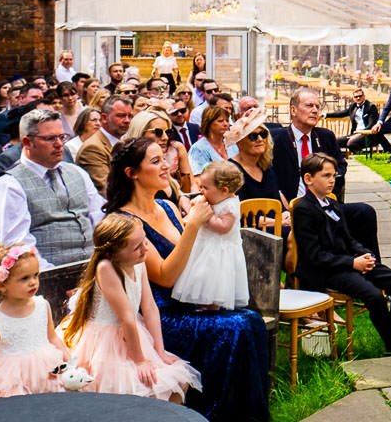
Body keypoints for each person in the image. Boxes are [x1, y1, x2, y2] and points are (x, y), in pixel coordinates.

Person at [105, 138, 269, 422]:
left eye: (163, 158)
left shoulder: (165, 208)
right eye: (155, 162)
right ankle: (215, 415)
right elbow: (166, 277)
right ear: (132, 173)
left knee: (250, 320)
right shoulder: (126, 222)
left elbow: (193, 256)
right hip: (160, 315)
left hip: (188, 300)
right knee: (235, 327)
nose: (166, 165)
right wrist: (192, 224)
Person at [61, 213, 200, 402]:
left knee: (172, 379)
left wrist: (159, 350)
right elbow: (126, 317)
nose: (145, 249)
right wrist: (139, 361)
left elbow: (149, 307)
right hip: (105, 342)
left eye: (145, 241)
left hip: (133, 333)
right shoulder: (106, 268)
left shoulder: (138, 263)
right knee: (130, 389)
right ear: (112, 253)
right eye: (137, 247)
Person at [290, 154, 391, 354]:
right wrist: (352, 263)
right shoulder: (304, 209)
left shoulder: (333, 203)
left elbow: (349, 239)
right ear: (308, 179)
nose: (331, 180)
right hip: (327, 270)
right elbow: (314, 255)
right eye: (326, 175)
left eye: (334, 176)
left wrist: (365, 255)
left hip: (349, 261)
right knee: (375, 297)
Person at [0, 109, 104, 268]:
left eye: (62, 137)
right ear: (26, 142)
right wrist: (56, 279)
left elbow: (100, 220)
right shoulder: (8, 186)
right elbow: (17, 247)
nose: (59, 144)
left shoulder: (77, 173)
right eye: (50, 138)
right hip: (49, 279)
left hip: (97, 269)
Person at [0, 244, 71, 397]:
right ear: (2, 284)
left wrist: (68, 359)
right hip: (13, 377)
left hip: (46, 367)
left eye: (36, 275)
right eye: (25, 278)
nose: (33, 282)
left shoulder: (42, 305)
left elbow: (52, 337)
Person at [169, 161, 247, 310]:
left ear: (224, 190)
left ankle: (211, 307)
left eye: (205, 187)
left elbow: (224, 227)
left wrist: (207, 215)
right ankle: (200, 304)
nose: (201, 190)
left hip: (219, 252)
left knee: (213, 281)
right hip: (205, 246)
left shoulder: (229, 205)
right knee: (199, 276)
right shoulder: (215, 198)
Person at [75, 95, 133, 195]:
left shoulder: (123, 142)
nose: (127, 120)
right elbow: (107, 190)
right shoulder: (92, 148)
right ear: (104, 118)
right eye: (121, 115)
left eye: (130, 116)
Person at [188, 105, 236, 174]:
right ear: (208, 123)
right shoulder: (198, 149)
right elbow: (198, 177)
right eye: (220, 121)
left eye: (227, 120)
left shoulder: (232, 144)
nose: (226, 124)